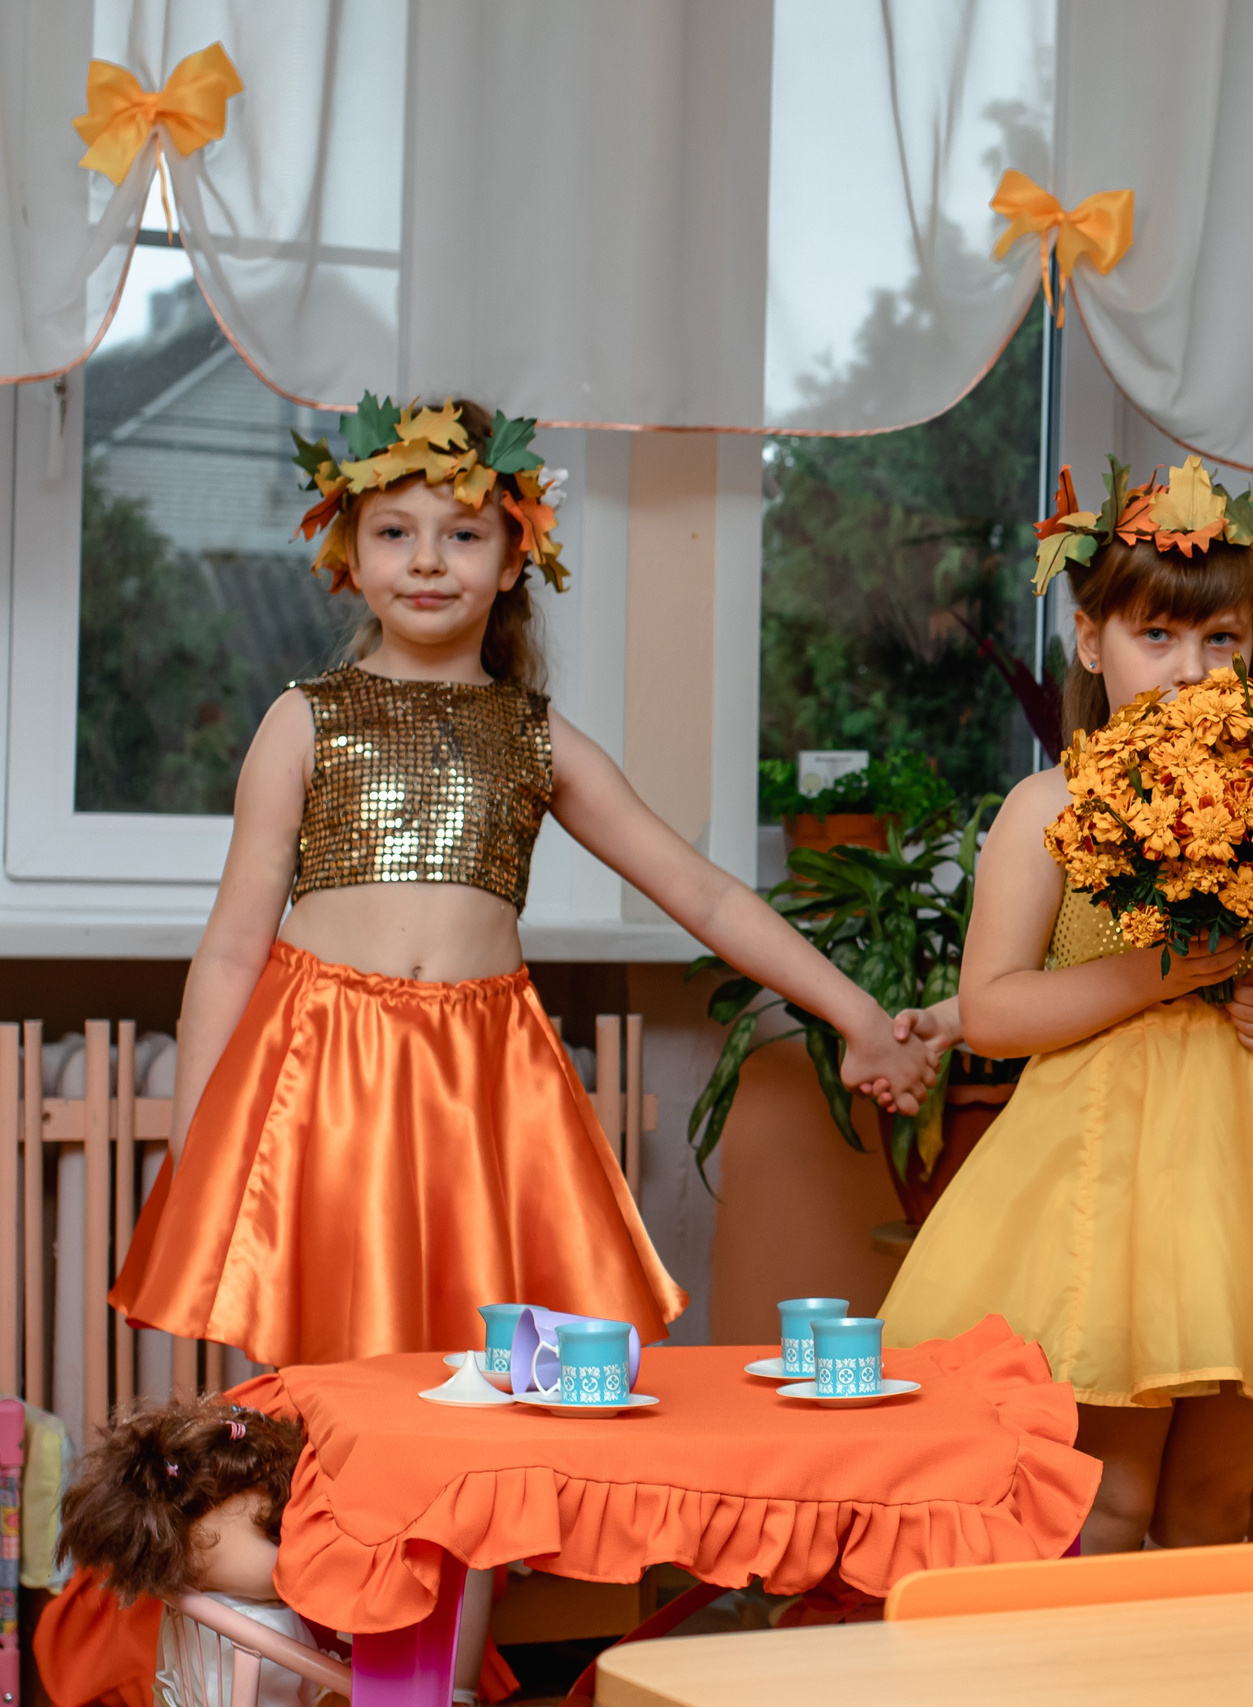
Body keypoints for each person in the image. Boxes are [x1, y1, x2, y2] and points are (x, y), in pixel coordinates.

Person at [112, 397, 935, 1370]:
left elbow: (706, 895)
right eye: (394, 532)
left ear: (512, 560)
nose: (427, 560)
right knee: (331, 1373)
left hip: (485, 1081)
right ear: (350, 557)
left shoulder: (538, 738)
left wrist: (857, 1015)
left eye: (461, 534)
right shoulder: (304, 722)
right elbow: (231, 949)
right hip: (323, 1071)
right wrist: (197, 1141)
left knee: (487, 1370)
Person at [880, 462, 1253, 1554]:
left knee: (1217, 1502)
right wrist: (1163, 972)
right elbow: (990, 1012)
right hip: (1110, 1188)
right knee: (1110, 1499)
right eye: (1157, 637)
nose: (1191, 670)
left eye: (1221, 641)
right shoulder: (1046, 807)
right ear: (1092, 642)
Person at [60, 1395, 316, 1707]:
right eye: (273, 1532)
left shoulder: (190, 1604)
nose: (295, 1542)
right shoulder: (250, 1631)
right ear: (194, 1548)